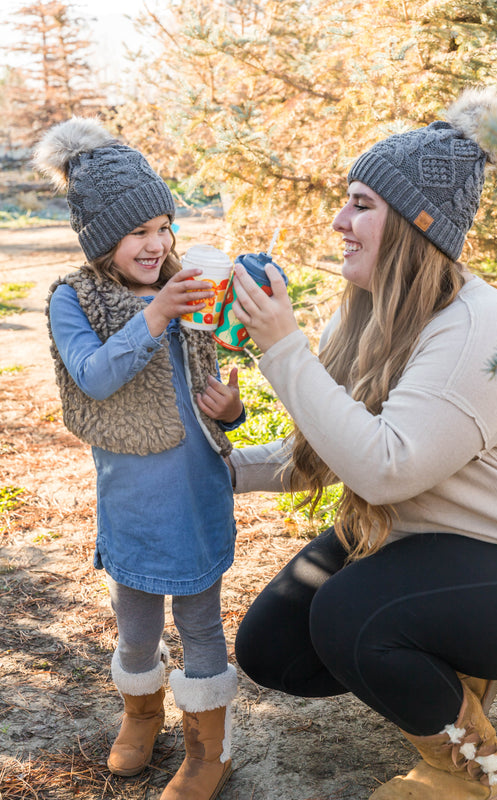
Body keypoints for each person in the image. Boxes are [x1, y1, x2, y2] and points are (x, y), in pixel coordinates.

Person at [227, 87, 497, 800]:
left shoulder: (477, 331)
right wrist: (218, 470)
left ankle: (478, 776)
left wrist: (283, 350)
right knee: (272, 648)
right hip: (423, 549)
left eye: (361, 204)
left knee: (351, 613)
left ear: (412, 225)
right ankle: (448, 674)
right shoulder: (367, 312)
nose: (339, 221)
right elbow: (331, 447)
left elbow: (383, 470)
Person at [34, 117, 244, 800]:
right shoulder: (74, 299)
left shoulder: (188, 285)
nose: (158, 244)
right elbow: (94, 377)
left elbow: (215, 370)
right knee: (136, 626)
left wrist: (230, 410)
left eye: (164, 227)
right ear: (101, 238)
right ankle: (142, 713)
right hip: (131, 499)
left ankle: (208, 748)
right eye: (138, 232)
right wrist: (155, 316)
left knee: (201, 622)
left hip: (197, 491)